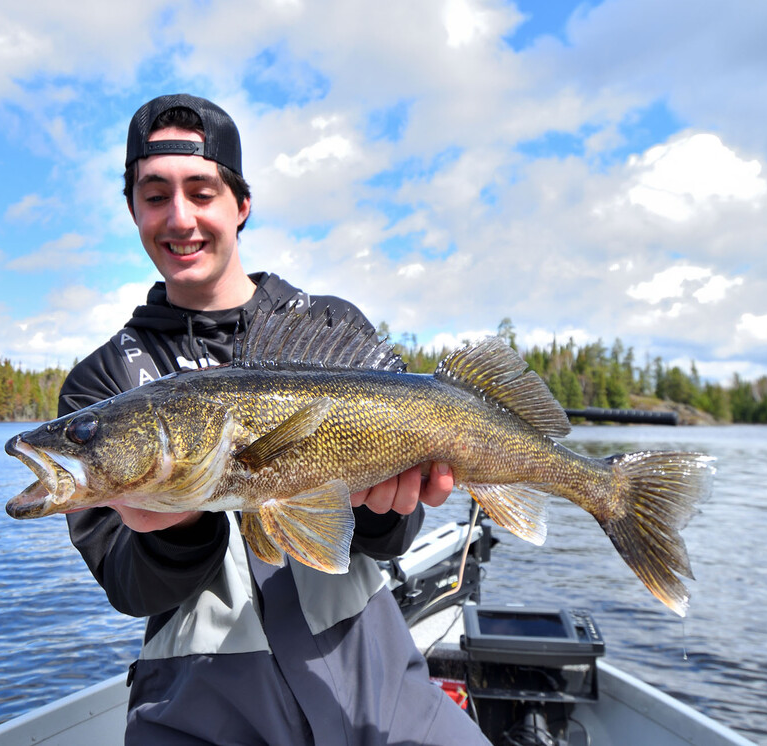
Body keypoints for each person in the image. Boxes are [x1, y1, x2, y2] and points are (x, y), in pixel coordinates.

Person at [59, 93, 491, 745]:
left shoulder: (327, 327)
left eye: (201, 192)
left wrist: (383, 507)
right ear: (132, 209)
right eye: (155, 195)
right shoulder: (103, 387)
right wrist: (175, 525)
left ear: (241, 204)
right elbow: (128, 583)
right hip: (203, 712)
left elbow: (393, 538)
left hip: (376, 690)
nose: (180, 218)